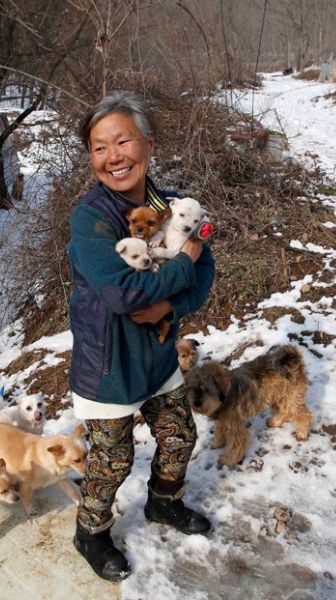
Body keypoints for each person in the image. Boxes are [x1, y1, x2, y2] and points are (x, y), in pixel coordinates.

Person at [67, 91, 216, 581]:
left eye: (123, 140)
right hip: (107, 364)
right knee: (111, 460)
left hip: (156, 353)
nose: (112, 157)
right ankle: (90, 532)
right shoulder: (90, 219)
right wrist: (182, 266)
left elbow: (206, 268)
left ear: (148, 143)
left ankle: (163, 504)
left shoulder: (172, 205)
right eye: (98, 147)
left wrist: (168, 303)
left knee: (179, 436)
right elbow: (123, 296)